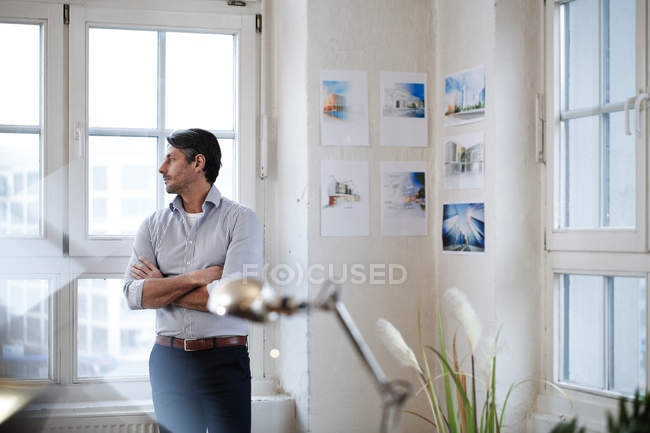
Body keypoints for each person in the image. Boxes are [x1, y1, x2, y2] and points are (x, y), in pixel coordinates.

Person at [122, 128, 262, 433]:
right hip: (168, 362)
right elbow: (134, 295)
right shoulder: (152, 225)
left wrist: (162, 287)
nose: (162, 168)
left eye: (171, 159)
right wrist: (197, 278)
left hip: (225, 360)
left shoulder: (241, 220)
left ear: (198, 163)